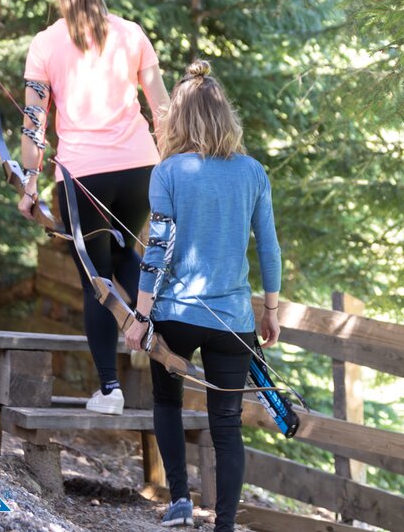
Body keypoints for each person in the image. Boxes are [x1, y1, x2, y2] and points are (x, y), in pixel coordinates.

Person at [123, 60, 282, 531]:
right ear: (224, 116)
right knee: (227, 426)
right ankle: (225, 525)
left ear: (180, 118)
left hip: (174, 315)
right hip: (233, 321)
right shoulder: (253, 173)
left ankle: (179, 501)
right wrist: (269, 311)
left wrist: (140, 315)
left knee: (167, 402)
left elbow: (158, 248)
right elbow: (269, 248)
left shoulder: (169, 172)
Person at [18, 0, 170, 415]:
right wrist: (170, 167)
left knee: (95, 279)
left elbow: (33, 122)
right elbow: (162, 110)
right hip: (139, 170)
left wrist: (29, 183)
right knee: (129, 259)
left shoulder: (44, 45)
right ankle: (152, 355)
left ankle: (110, 390)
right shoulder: (132, 34)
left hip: (83, 177)